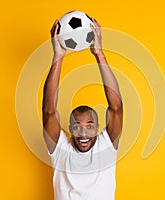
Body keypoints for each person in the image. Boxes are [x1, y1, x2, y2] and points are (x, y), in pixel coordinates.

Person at [42, 18, 123, 200]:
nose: (83, 132)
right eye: (77, 126)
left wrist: (99, 54)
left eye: (89, 126)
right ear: (69, 129)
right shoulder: (61, 149)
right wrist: (58, 57)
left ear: (98, 128)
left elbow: (116, 108)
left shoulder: (106, 146)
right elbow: (48, 111)